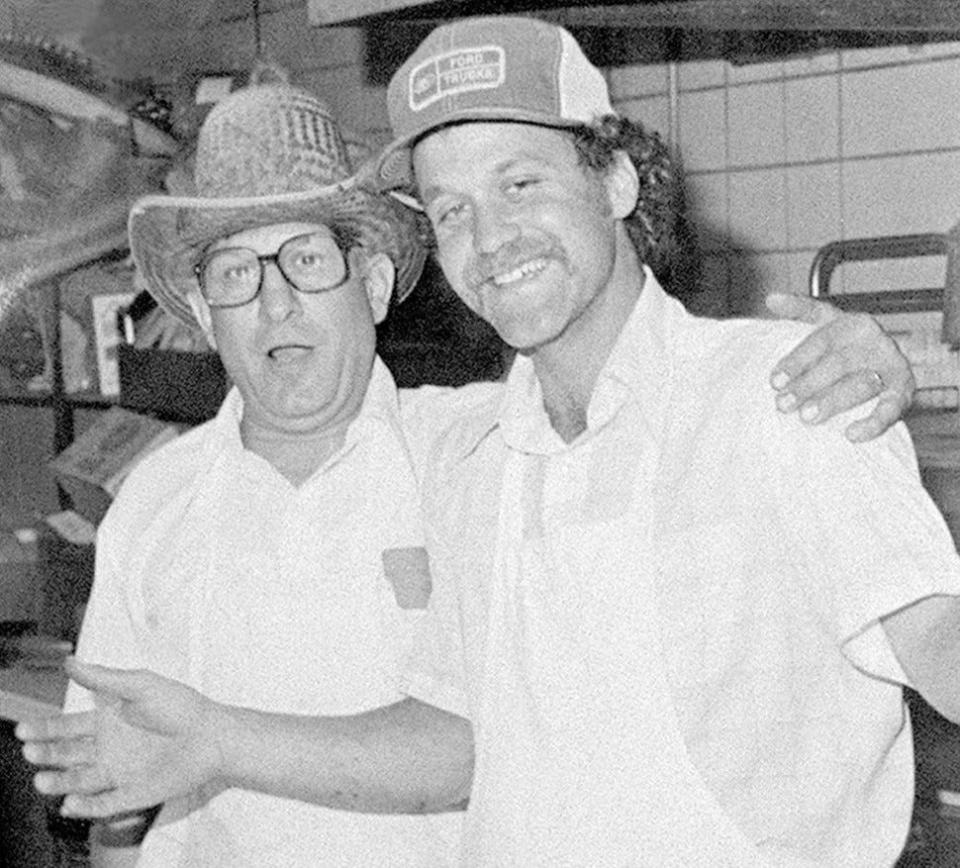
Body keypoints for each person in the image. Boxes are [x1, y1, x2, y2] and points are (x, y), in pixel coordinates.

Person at [17, 16, 935, 867]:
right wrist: (187, 759)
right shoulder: (478, 457)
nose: (490, 236)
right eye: (451, 209)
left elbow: (934, 634)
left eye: (522, 183)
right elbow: (442, 736)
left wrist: (892, 367)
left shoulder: (746, 397)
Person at [50, 81, 483, 867]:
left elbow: (480, 745)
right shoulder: (157, 496)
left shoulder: (473, 453)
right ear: (205, 313)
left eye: (308, 260)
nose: (275, 304)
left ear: (375, 286)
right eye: (236, 274)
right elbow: (114, 789)